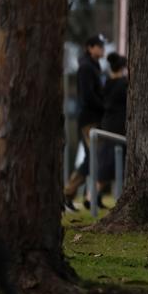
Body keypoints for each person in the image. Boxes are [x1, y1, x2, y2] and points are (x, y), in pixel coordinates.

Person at [64, 34, 105, 212]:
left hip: (95, 118)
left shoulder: (94, 66)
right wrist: (104, 105)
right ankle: (68, 193)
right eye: (99, 46)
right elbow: (87, 96)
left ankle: (91, 196)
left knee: (95, 158)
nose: (102, 49)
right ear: (90, 47)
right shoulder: (86, 68)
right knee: (94, 158)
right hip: (89, 119)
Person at [97, 52, 128, 194]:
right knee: (114, 162)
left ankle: (92, 195)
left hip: (107, 124)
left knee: (105, 161)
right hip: (119, 126)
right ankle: (93, 195)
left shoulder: (106, 83)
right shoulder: (124, 84)